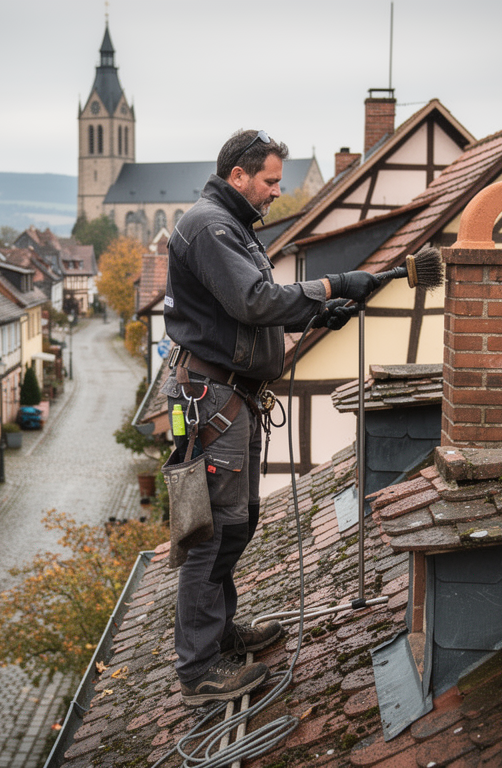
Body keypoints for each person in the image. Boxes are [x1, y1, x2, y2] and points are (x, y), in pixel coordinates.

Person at [162, 129, 380, 705]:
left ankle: (219, 631)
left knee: (239, 521)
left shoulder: (231, 226)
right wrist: (330, 284)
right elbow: (253, 300)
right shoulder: (211, 227)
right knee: (209, 532)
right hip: (212, 402)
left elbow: (245, 311)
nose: (277, 192)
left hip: (232, 398)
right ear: (239, 176)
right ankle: (199, 671)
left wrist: (313, 314)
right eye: (270, 181)